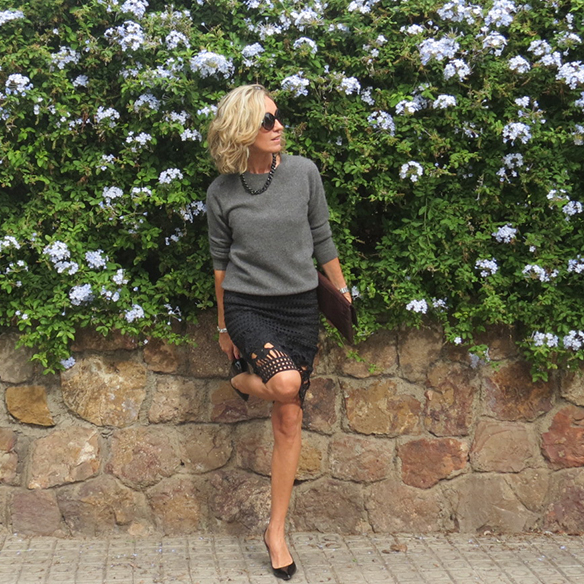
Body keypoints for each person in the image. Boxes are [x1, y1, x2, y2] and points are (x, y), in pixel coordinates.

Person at [206, 84, 351, 581]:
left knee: (289, 421)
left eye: (278, 117)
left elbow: (322, 237)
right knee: (286, 384)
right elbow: (220, 264)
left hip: (299, 308)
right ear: (243, 128)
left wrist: (341, 290)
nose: (278, 126)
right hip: (248, 306)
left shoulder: (303, 173)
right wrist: (223, 325)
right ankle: (240, 379)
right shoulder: (221, 192)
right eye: (267, 121)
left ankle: (276, 531)